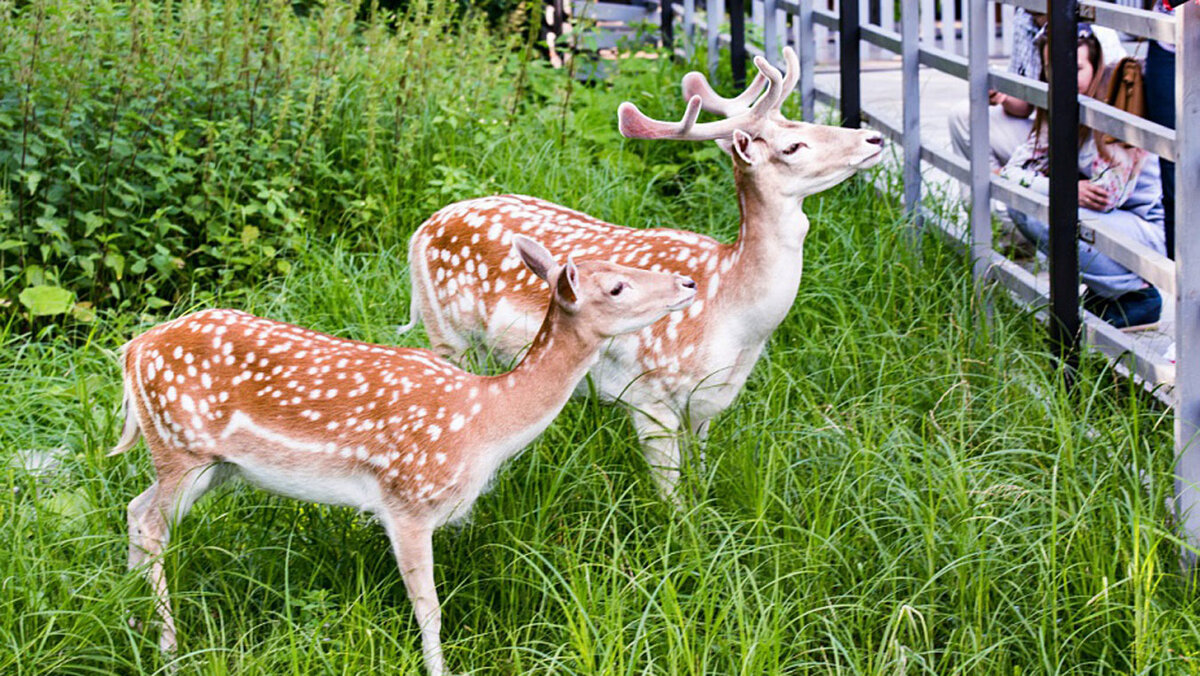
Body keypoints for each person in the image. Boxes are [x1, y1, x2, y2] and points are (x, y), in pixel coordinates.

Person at [1000, 24, 1166, 330]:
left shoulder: (1117, 107)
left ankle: (1137, 296)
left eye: (1075, 68)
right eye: (1053, 68)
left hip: (1147, 231)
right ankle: (1107, 293)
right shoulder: (1063, 109)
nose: (1063, 77)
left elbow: (1106, 196)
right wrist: (1066, 188)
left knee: (1047, 212)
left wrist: (1059, 189)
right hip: (1111, 222)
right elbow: (1012, 172)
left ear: (1097, 67)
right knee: (1026, 203)